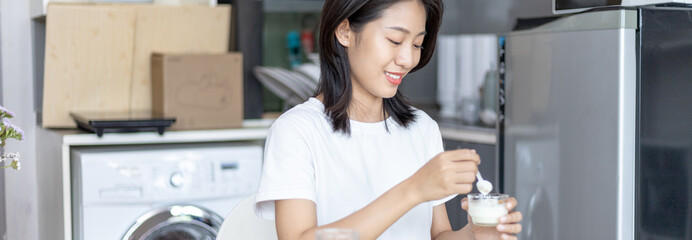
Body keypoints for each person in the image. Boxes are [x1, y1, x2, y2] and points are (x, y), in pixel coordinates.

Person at [254, 0, 522, 239]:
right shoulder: (297, 131)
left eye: (417, 44)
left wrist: (474, 235)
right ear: (345, 31)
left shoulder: (422, 128)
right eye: (395, 40)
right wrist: (414, 190)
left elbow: (438, 235)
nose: (407, 59)